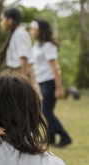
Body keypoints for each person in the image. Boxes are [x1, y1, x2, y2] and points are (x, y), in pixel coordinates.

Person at [30, 19, 72, 148]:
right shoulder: (36, 46)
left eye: (33, 28)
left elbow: (55, 68)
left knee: (47, 110)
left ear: (40, 30)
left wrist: (58, 88)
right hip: (42, 82)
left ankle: (65, 137)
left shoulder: (48, 45)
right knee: (45, 110)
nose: (31, 31)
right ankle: (51, 137)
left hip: (51, 81)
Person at [0, 8, 40, 97]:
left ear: (10, 20)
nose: (1, 23)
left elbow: (24, 57)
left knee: (24, 101)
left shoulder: (20, 34)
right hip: (16, 71)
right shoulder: (16, 34)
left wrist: (23, 78)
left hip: (22, 71)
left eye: (3, 19)